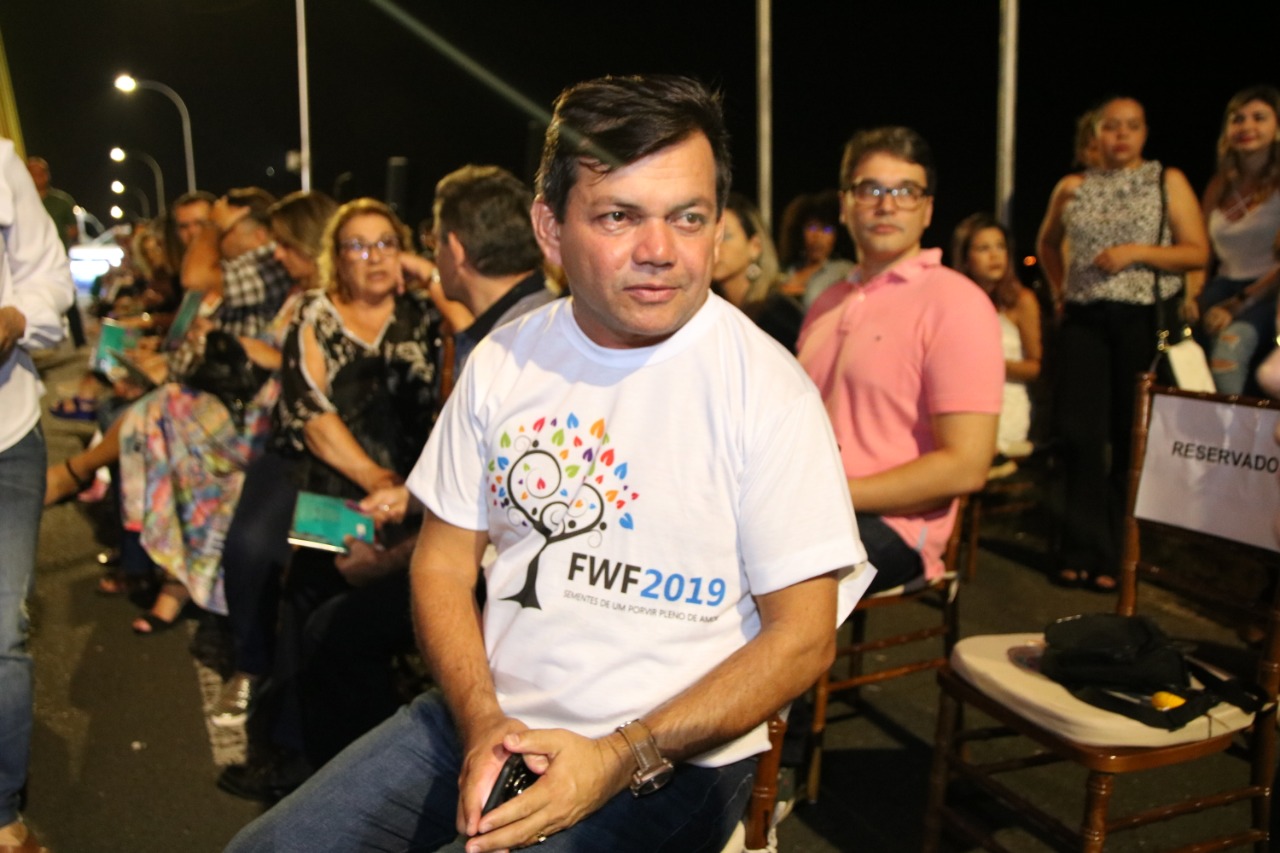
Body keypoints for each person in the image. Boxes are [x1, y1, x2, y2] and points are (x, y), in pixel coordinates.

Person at [227, 73, 866, 853]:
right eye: (619, 216)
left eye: (688, 216)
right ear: (550, 227)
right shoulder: (505, 362)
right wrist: (481, 718)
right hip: (487, 721)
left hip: (674, 756)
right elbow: (441, 563)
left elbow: (803, 636)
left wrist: (617, 755)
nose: (660, 250)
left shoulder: (766, 389)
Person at [797, 126, 1003, 595]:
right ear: (845, 204)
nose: (886, 205)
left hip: (895, 525)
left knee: (761, 581)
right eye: (870, 189)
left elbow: (967, 465)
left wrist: (835, 495)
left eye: (905, 192)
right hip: (809, 505)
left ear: (927, 209)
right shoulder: (828, 300)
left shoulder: (957, 303)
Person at [1036, 96, 1209, 590]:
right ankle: (1077, 546)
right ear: (1096, 133)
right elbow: (1046, 243)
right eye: (1112, 126)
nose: (1122, 135)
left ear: (1144, 132)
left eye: (1132, 126)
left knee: (1128, 435)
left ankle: (1115, 555)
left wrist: (1136, 252)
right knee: (1079, 434)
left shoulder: (1166, 180)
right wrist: (1059, 291)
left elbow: (1196, 251)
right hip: (1085, 319)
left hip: (1140, 318)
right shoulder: (1072, 187)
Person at [1, 140, 75, 853]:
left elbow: (50, 277)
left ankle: (1, 811)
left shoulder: (0, 163)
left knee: (1, 631)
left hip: (6, 433)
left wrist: (15, 318)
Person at [1196, 85, 1280, 396]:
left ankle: (1236, 429)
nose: (1247, 126)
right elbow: (1201, 251)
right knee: (1186, 352)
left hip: (1268, 291)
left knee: (1228, 355)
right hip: (1222, 287)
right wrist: (1193, 295)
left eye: (1259, 118)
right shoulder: (1219, 185)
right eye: (1238, 119)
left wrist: (1238, 304)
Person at [951, 213, 1042, 458]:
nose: (995, 256)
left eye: (1000, 247)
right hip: (961, 402)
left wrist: (990, 366)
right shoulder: (954, 301)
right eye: (983, 248)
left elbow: (1036, 367)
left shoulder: (1021, 301)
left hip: (1007, 403)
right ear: (965, 258)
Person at [712, 192, 802, 351]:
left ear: (755, 247)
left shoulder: (777, 315)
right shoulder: (713, 311)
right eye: (709, 237)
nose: (714, 247)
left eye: (725, 237)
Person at [26, 155, 84, 348]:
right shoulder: (20, 202)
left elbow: (73, 229)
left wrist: (59, 242)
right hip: (30, 262)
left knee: (68, 296)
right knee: (36, 301)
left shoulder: (61, 201)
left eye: (40, 173)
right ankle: (44, 343)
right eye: (32, 173)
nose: (37, 177)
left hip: (57, 259)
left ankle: (79, 340)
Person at [777, 190, 854, 308]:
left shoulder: (844, 271)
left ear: (838, 235)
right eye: (812, 228)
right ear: (799, 231)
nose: (818, 236)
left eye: (827, 230)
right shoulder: (786, 270)